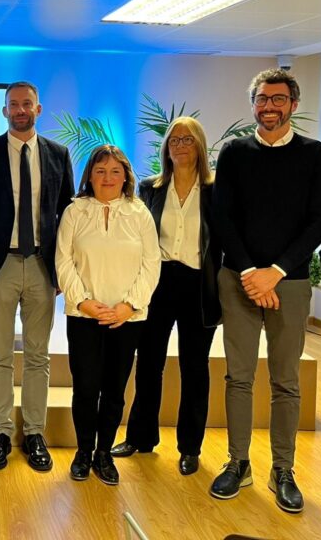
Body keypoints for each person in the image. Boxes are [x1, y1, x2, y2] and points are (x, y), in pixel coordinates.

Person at [210, 68, 321, 513]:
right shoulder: (234, 152)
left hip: (290, 281)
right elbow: (221, 217)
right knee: (238, 377)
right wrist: (249, 272)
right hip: (238, 280)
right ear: (253, 104)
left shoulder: (315, 154)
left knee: (286, 381)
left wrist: (275, 272)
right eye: (262, 99)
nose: (269, 106)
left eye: (278, 99)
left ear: (293, 105)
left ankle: (283, 469)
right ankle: (238, 462)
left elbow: (320, 220)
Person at [0, 81, 74, 472]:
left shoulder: (58, 154)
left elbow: (67, 213)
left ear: (38, 109)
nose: (20, 110)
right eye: (14, 104)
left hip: (43, 266)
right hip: (0, 265)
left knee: (38, 355)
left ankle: (34, 433)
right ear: (5, 111)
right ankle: (0, 432)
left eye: (27, 104)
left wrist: (63, 268)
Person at [112, 117, 222, 476]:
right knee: (148, 363)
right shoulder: (151, 188)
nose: (180, 145)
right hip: (158, 283)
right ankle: (140, 437)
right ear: (166, 148)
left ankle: (190, 447)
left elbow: (224, 242)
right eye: (174, 140)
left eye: (187, 139)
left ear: (200, 145)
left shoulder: (216, 190)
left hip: (199, 286)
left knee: (195, 367)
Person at [56, 145, 160, 485]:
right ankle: (83, 451)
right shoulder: (75, 211)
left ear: (126, 176)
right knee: (85, 387)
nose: (108, 178)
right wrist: (83, 302)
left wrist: (129, 306)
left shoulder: (139, 213)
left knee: (114, 390)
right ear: (90, 175)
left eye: (116, 171)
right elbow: (63, 261)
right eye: (100, 171)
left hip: (125, 318)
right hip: (83, 316)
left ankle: (104, 453)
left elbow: (151, 264)